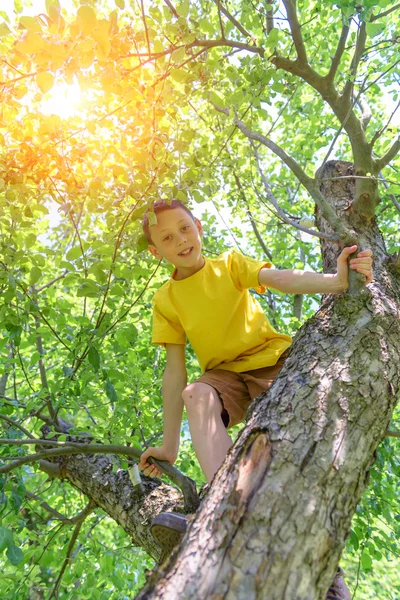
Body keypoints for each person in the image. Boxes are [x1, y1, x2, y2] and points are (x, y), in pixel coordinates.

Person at [138, 199, 373, 598]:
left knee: (286, 448)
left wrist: (336, 281)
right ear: (155, 252)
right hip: (223, 376)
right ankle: (223, 503)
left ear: (198, 225)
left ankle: (328, 576)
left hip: (270, 361)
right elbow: (174, 372)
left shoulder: (227, 264)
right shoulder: (166, 300)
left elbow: (280, 277)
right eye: (166, 237)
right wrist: (169, 446)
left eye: (183, 228)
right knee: (195, 392)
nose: (179, 240)